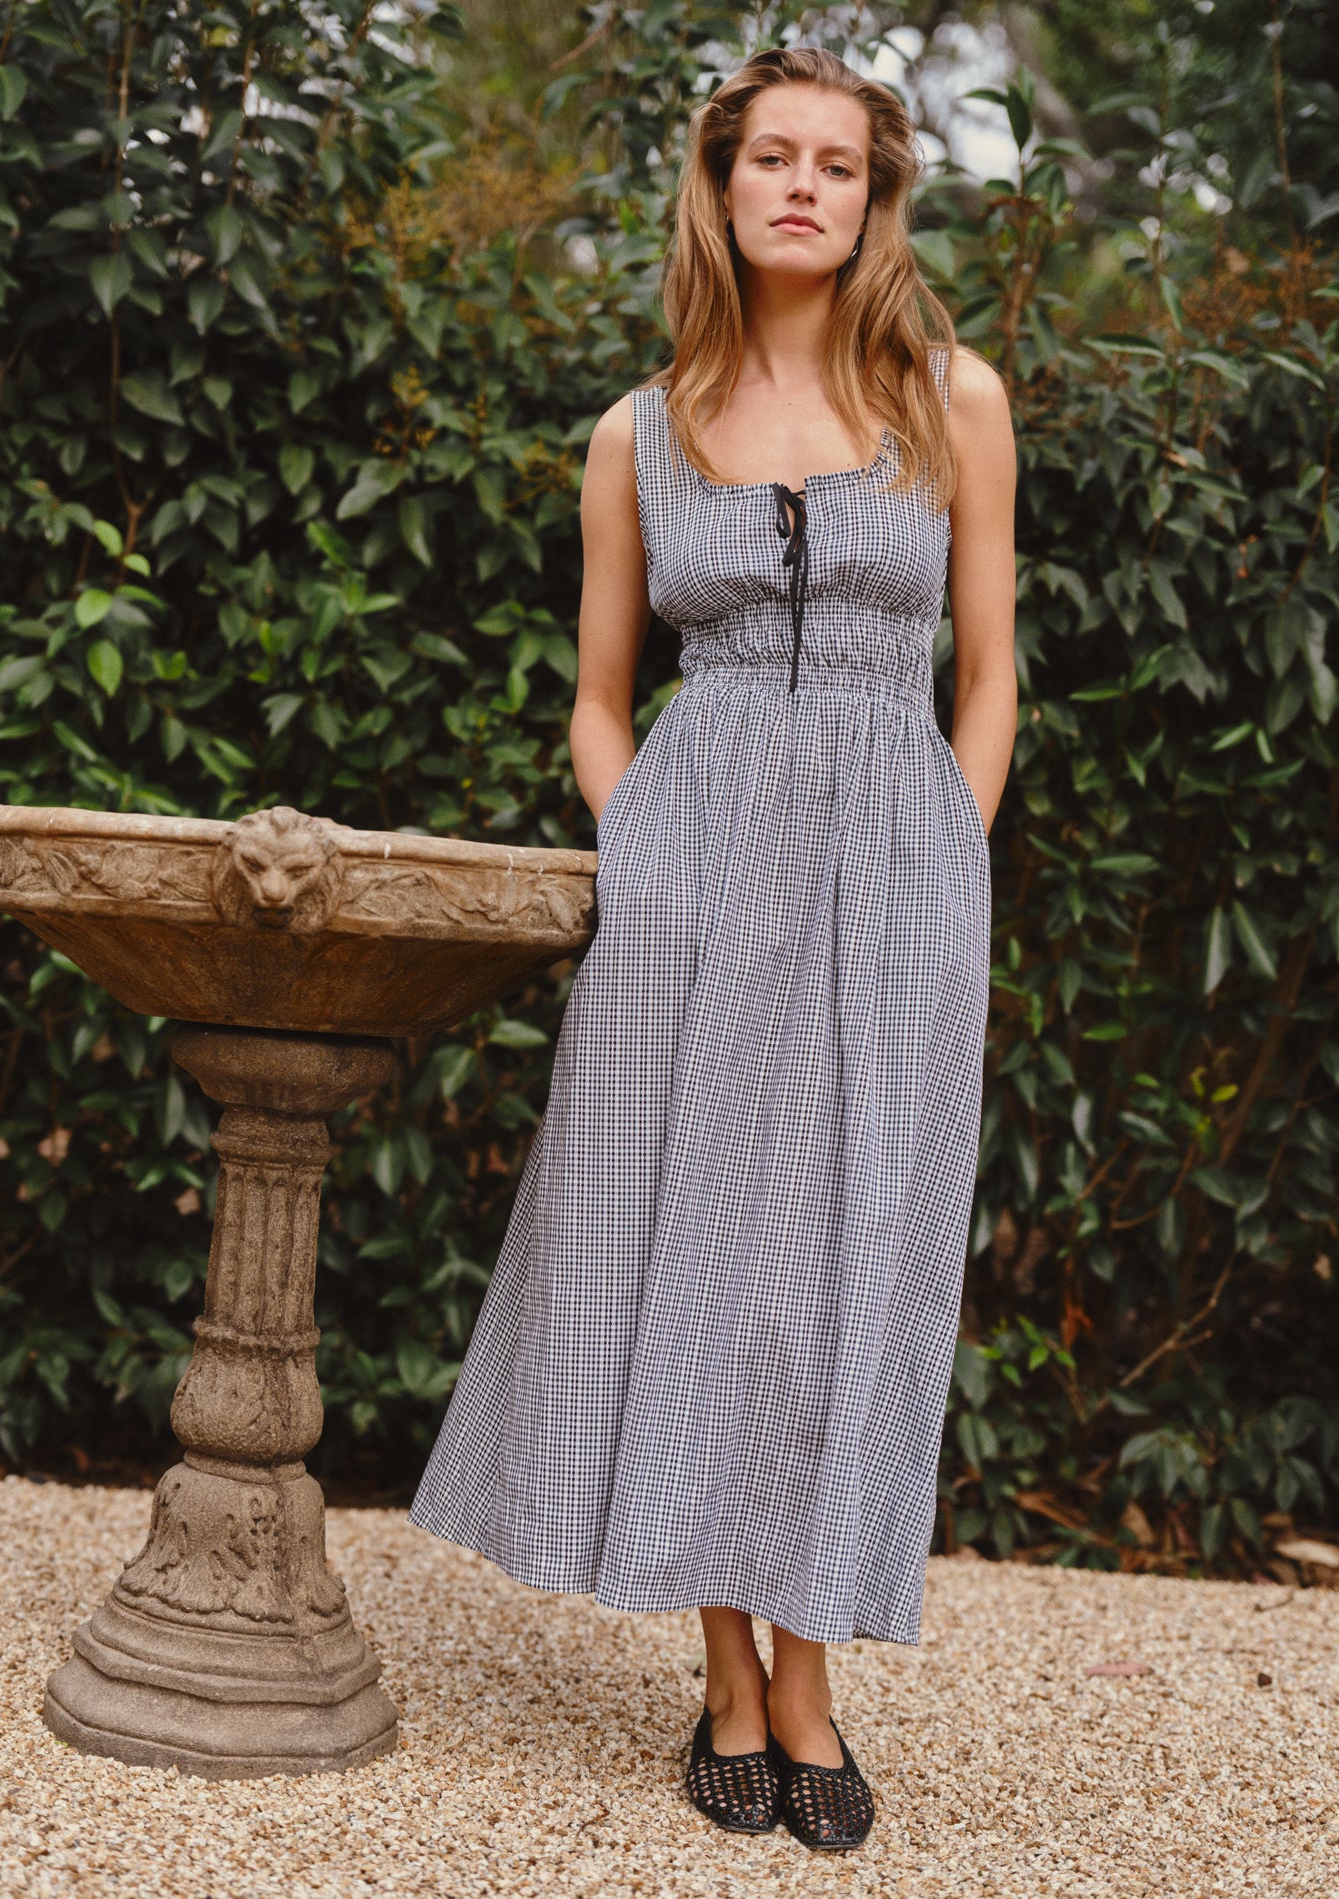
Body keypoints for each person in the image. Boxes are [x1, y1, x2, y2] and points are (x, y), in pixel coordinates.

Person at [407, 44, 1016, 1853]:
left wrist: (944, 855)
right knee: (695, 1260)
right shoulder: (641, 425)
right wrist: (647, 857)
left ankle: (808, 1675)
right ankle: (730, 1678)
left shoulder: (953, 399)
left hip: (897, 887)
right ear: (723, 186)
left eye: (838, 162)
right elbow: (602, 704)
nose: (804, 187)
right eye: (773, 159)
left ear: (877, 192)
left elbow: (988, 675)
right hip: (694, 895)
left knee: (846, 1270)